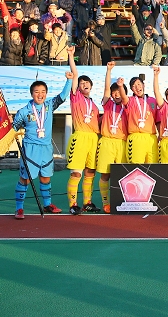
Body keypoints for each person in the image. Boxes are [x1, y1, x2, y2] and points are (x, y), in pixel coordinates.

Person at [13, 52, 72, 219]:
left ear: (46, 93)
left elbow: (62, 97)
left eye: (43, 91)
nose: (40, 94)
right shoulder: (24, 111)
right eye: (37, 92)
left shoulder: (49, 105)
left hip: (46, 149)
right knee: (25, 179)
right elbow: (13, 128)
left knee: (45, 178)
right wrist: (14, 132)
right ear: (32, 93)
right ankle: (19, 208)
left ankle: (47, 205)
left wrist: (69, 80)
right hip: (30, 149)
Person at [65, 46, 101, 215]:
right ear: (78, 87)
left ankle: (87, 202)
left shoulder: (94, 105)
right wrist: (71, 56)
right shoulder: (76, 97)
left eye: (87, 83)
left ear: (91, 86)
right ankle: (73, 204)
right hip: (80, 137)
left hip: (93, 139)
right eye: (82, 83)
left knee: (90, 172)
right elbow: (75, 75)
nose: (84, 84)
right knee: (77, 174)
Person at [94, 62, 127, 214]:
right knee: (105, 173)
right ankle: (106, 203)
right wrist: (108, 70)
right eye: (114, 92)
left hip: (122, 143)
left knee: (122, 174)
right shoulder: (108, 104)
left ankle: (121, 201)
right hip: (106, 141)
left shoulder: (128, 106)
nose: (116, 94)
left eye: (118, 92)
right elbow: (107, 89)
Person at [121, 73, 159, 165]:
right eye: (134, 86)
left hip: (151, 138)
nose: (137, 88)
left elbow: (158, 120)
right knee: (136, 168)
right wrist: (120, 86)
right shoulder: (130, 100)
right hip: (136, 137)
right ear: (131, 90)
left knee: (152, 168)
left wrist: (160, 136)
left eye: (138, 84)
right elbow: (123, 98)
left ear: (143, 85)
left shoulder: (152, 100)